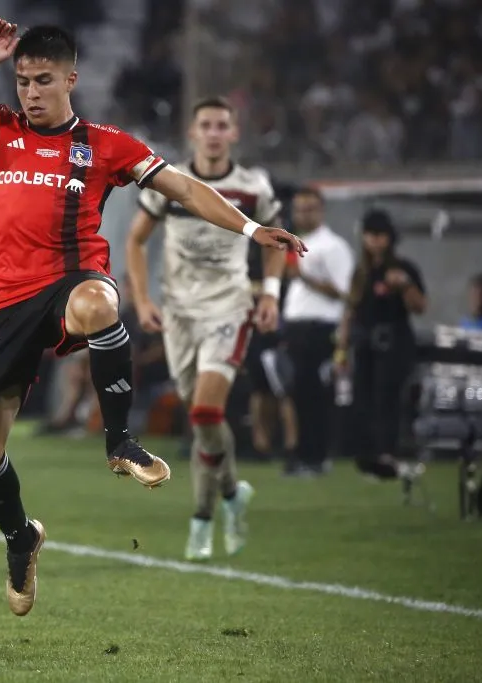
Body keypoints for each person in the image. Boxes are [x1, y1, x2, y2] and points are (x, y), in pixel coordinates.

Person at [0, 21, 305, 613]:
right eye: (22, 81)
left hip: (71, 283)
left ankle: (120, 440)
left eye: (43, 80)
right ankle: (22, 537)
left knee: (99, 303)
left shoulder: (103, 143)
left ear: (71, 78)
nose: (31, 93)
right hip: (1, 303)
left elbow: (187, 189)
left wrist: (251, 230)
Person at [126, 96, 291, 562]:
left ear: (233, 133)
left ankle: (201, 518)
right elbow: (136, 241)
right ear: (193, 132)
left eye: (223, 125)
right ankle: (233, 493)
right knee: (201, 420)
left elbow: (275, 240)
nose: (215, 133)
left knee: (203, 413)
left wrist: (271, 295)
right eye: (206, 125)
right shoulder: (171, 182)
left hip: (228, 309)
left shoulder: (252, 186)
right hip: (179, 315)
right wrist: (141, 299)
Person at [335, 209, 426, 484]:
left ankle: (389, 455)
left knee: (388, 401)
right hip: (365, 343)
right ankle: (369, 458)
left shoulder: (404, 269)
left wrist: (405, 286)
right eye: (370, 235)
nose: (375, 241)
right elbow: (350, 310)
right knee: (363, 402)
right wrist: (342, 348)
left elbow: (420, 306)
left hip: (394, 342)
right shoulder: (361, 272)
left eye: (380, 236)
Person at [282, 188, 354, 475]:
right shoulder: (296, 243)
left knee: (316, 397)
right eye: (299, 209)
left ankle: (318, 457)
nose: (303, 215)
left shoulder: (332, 246)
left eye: (310, 209)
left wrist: (305, 278)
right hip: (297, 329)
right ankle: (302, 455)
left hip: (320, 329)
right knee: (298, 395)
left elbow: (344, 293)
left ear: (321, 210)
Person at [243, 241, 298, 470]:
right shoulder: (248, 265)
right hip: (255, 338)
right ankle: (262, 444)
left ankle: (290, 444)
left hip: (277, 339)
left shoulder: (282, 263)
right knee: (260, 392)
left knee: (283, 392)